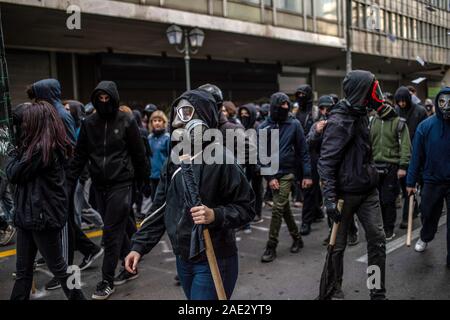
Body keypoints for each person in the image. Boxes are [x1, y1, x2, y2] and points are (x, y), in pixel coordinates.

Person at [125, 89, 255, 300]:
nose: (180, 121)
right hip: (183, 257)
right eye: (178, 113)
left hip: (215, 256)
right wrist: (139, 246)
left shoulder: (223, 158)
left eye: (188, 113)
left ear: (204, 116)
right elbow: (160, 207)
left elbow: (247, 207)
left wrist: (216, 215)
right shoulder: (175, 158)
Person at [68, 81, 150, 300]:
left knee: (111, 232)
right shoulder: (89, 123)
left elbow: (138, 153)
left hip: (122, 183)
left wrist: (144, 181)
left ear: (114, 98)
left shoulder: (127, 120)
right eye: (100, 98)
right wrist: (69, 182)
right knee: (119, 227)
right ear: (95, 99)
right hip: (99, 185)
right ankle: (130, 264)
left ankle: (106, 280)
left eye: (107, 98)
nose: (104, 102)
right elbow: (79, 156)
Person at [318, 70, 386, 300]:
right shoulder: (339, 121)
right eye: (371, 88)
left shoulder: (362, 114)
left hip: (368, 192)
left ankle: (376, 290)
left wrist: (372, 172)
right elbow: (326, 162)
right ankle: (331, 289)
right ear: (361, 91)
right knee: (337, 246)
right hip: (343, 196)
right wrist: (328, 199)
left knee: (377, 240)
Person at [27, 79, 101, 291]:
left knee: (65, 225)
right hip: (61, 179)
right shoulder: (54, 112)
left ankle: (67, 275)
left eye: (38, 97)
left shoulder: (60, 114)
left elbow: (70, 150)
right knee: (65, 222)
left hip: (64, 180)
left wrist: (64, 179)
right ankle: (88, 250)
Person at [7, 101, 85, 300]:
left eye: (25, 123)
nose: (22, 127)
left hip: (41, 218)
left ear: (36, 124)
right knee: (24, 272)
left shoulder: (43, 150)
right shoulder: (34, 147)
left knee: (60, 268)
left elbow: (13, 173)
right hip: (27, 216)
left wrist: (14, 152)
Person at [258, 92, 312, 263]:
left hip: (288, 173)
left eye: (287, 105)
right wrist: (270, 177)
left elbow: (303, 151)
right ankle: (297, 239)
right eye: (281, 105)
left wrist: (307, 174)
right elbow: (260, 155)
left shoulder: (294, 124)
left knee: (277, 208)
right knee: (284, 208)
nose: (285, 108)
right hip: (272, 173)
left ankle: (271, 246)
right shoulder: (263, 127)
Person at [406, 87, 450, 269]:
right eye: (442, 102)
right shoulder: (425, 126)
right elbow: (416, 156)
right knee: (428, 212)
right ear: (437, 103)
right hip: (431, 180)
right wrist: (410, 181)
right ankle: (425, 237)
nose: (446, 106)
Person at [370, 101, 411, 240]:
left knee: (388, 200)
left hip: (391, 166)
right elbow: (367, 143)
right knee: (375, 201)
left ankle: (389, 229)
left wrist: (403, 166)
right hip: (374, 166)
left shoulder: (399, 123)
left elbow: (406, 146)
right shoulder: (372, 121)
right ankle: (379, 227)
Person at [394, 86, 428, 229]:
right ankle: (410, 211)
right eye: (399, 101)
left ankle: (413, 213)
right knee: (406, 186)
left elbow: (426, 132)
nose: (402, 104)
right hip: (402, 154)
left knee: (418, 184)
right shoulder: (396, 112)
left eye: (404, 101)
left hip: (419, 153)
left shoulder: (420, 111)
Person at [238, 103, 263, 227]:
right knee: (245, 189)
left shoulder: (258, 127)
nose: (244, 116)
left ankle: (258, 213)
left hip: (256, 164)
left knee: (257, 189)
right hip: (245, 162)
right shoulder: (240, 127)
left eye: (246, 114)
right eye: (242, 114)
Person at [148, 110, 170, 200]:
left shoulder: (167, 138)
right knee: (153, 200)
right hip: (152, 176)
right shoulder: (149, 138)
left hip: (163, 177)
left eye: (159, 120)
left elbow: (171, 157)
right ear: (151, 123)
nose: (157, 123)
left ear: (164, 122)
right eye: (155, 120)